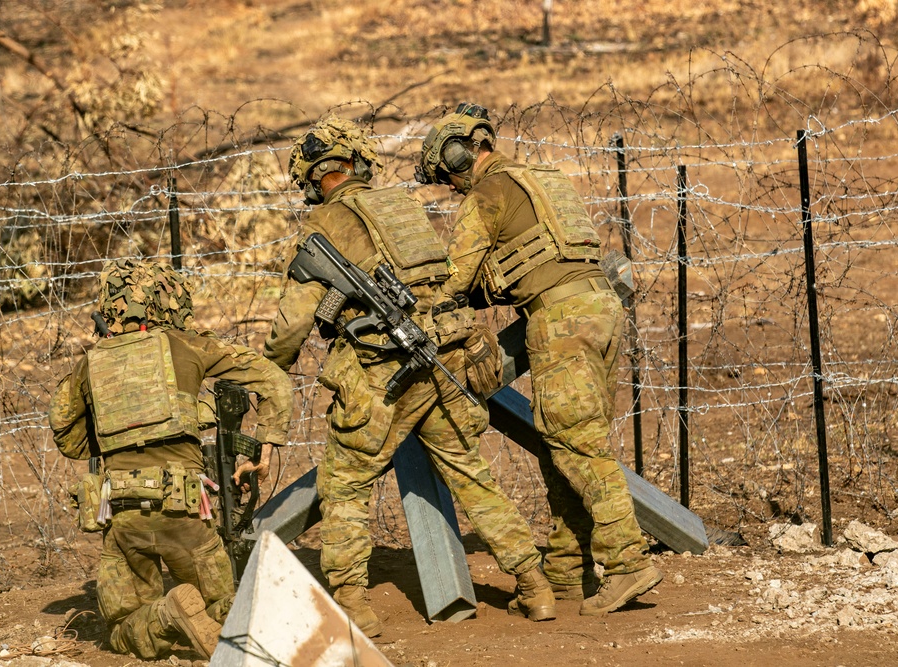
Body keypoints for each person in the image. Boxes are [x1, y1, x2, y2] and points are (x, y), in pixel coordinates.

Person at [263, 115, 556, 637]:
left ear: (313, 176)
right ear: (358, 164)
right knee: (470, 474)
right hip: (441, 361)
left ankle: (353, 602)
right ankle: (534, 584)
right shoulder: (402, 206)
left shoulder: (321, 228)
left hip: (381, 375)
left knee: (347, 482)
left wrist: (270, 368)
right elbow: (443, 277)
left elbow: (292, 325)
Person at [416, 103, 664, 616]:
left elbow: (453, 279)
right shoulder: (542, 179)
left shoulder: (486, 194)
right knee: (564, 438)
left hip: (559, 317)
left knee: (576, 443)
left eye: (448, 176)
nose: (452, 186)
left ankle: (627, 563)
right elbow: (541, 253)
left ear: (459, 157)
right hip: (601, 306)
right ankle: (567, 572)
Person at [49, 259, 292, 660]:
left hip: (122, 514)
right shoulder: (189, 344)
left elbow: (66, 433)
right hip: (185, 510)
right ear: (173, 302)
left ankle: (165, 615)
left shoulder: (90, 362)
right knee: (227, 614)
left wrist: (118, 433)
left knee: (122, 627)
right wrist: (265, 447)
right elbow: (274, 381)